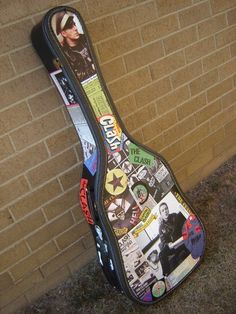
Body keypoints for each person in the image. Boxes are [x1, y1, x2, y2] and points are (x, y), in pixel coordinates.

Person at [55, 12, 96, 81]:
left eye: (74, 24)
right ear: (64, 33)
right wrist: (92, 68)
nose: (75, 28)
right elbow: (69, 76)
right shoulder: (61, 53)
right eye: (70, 27)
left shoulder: (86, 39)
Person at [158, 202, 189, 276]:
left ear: (168, 209)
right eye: (163, 210)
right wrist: (168, 244)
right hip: (173, 247)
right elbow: (163, 241)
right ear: (161, 214)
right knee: (161, 254)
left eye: (166, 209)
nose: (165, 211)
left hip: (182, 241)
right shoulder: (161, 227)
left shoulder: (175, 216)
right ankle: (166, 274)